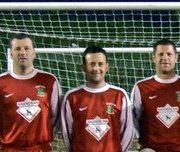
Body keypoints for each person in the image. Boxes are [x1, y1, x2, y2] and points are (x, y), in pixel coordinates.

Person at [61, 46, 134, 152]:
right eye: (92, 64)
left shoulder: (119, 95)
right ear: (83, 67)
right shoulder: (72, 97)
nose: (96, 69)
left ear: (107, 67)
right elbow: (67, 134)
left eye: (100, 64)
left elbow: (127, 133)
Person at [0, 33, 61, 151]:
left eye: (27, 48)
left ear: (34, 52)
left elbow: (57, 115)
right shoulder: (2, 82)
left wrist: (43, 133)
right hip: (10, 148)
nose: (22, 52)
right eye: (17, 49)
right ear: (11, 54)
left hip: (41, 148)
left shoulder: (49, 80)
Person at [131, 39, 180, 152]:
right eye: (160, 54)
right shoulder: (141, 87)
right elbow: (134, 120)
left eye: (169, 54)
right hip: (152, 149)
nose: (165, 58)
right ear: (153, 58)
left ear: (176, 57)